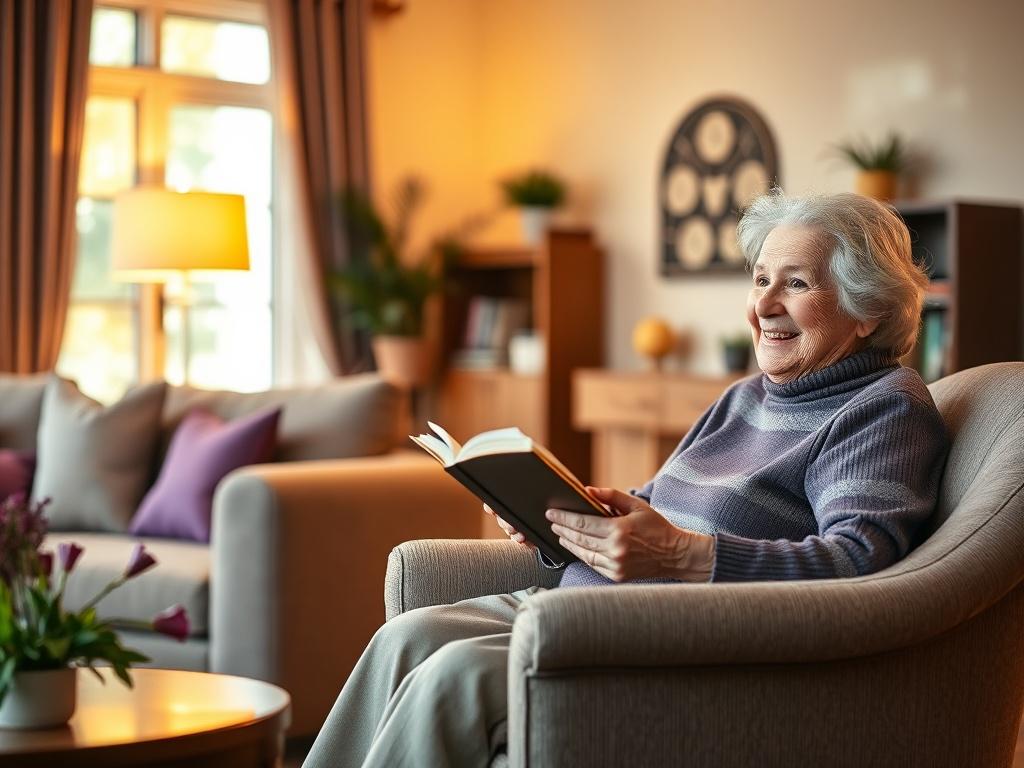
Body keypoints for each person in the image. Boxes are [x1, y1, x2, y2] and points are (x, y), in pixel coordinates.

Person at [302, 191, 950, 768]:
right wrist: (558, 514)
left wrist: (681, 555)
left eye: (797, 284)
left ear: (867, 310)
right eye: (759, 280)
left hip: (666, 636)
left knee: (452, 677)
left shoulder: (882, 407)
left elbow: (862, 563)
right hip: (582, 604)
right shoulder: (748, 395)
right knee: (406, 635)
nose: (764, 306)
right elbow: (657, 502)